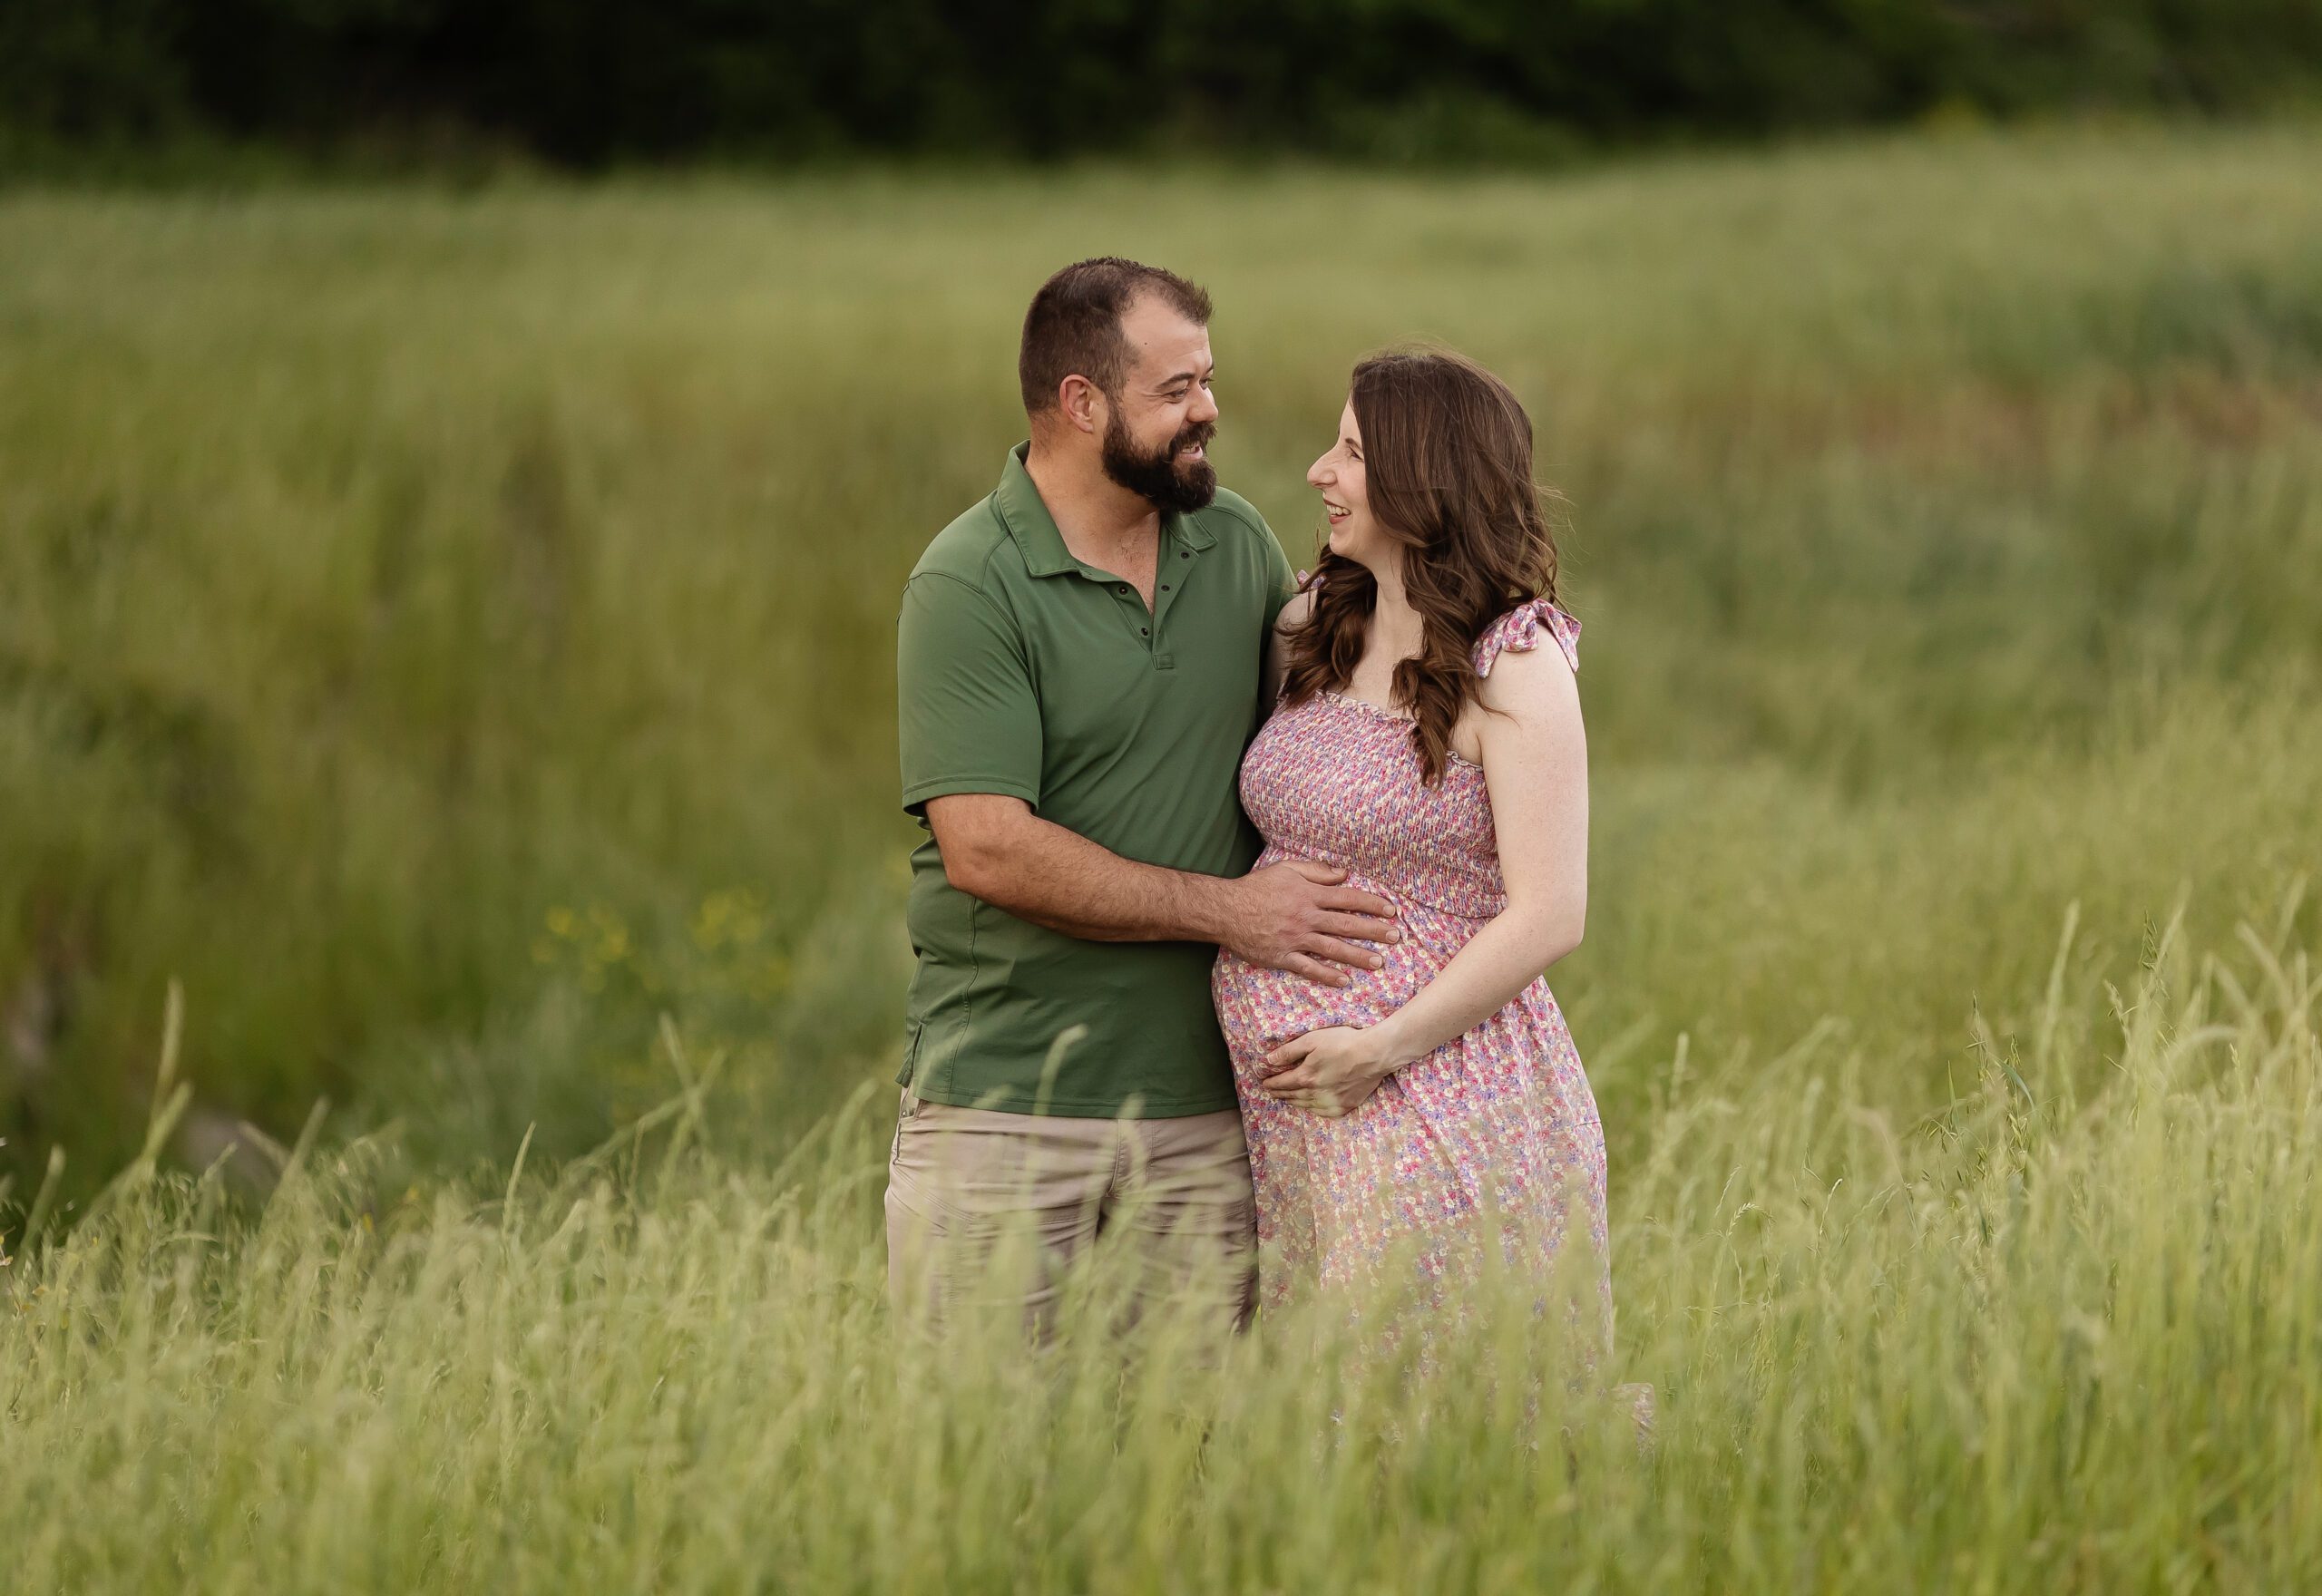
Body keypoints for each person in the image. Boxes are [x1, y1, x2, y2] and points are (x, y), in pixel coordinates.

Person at [887, 258, 1400, 1339]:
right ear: (1082, 404)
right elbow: (988, 850)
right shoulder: (967, 583)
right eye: (1177, 391)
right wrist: (1233, 911)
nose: (1209, 410)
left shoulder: (1238, 546)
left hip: (1213, 1109)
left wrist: (1518, 656)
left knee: (1188, 1471)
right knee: (981, 1467)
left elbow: (1352, 715)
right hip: (1003, 1110)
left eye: (1206, 381)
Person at [1213, 348, 1620, 1372]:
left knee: (1432, 1412)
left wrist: (1379, 1046)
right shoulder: (1313, 623)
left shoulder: (1514, 662)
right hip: (1304, 1122)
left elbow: (1549, 912)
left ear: (1416, 477)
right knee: (1329, 1412)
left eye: (1349, 451)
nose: (1318, 471)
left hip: (1442, 1098)